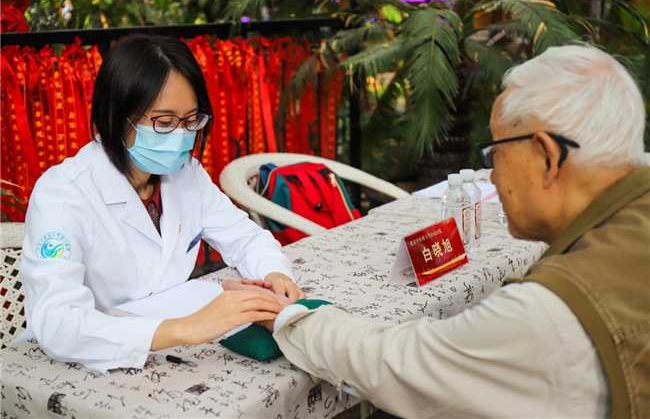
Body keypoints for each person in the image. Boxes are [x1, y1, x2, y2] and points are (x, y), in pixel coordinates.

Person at [254, 45, 649, 418]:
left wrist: (292, 320)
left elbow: (403, 365)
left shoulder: (551, 311)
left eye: (496, 151)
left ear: (546, 156)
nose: (492, 173)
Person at [16, 34, 305, 375]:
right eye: (164, 123)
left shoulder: (187, 176)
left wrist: (273, 274)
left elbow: (246, 238)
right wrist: (187, 328)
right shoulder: (64, 194)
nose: (181, 136)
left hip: (166, 359)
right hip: (78, 368)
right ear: (116, 116)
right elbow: (58, 322)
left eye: (191, 121)